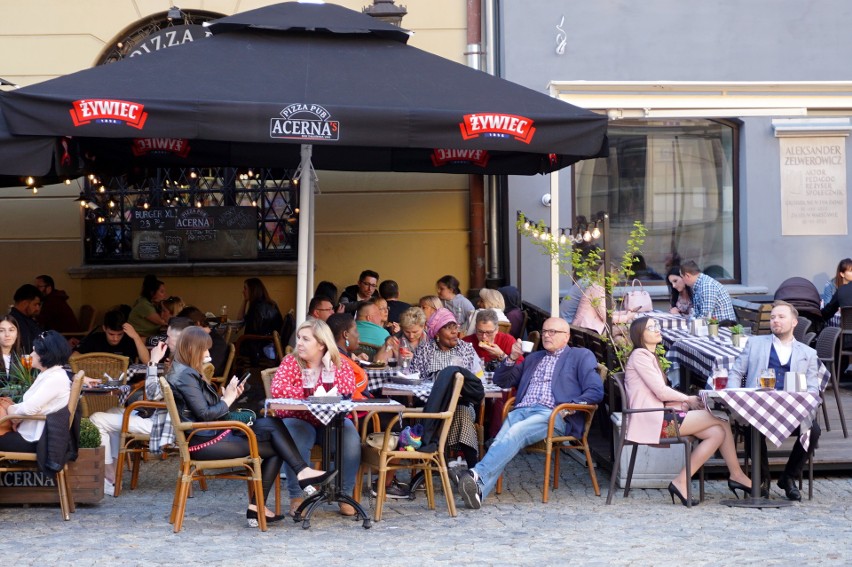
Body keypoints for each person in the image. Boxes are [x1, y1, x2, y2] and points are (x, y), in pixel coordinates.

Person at [168, 326, 336, 526]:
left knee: (272, 426)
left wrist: (227, 395)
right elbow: (205, 415)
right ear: (192, 349)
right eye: (205, 349)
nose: (208, 353)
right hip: (205, 442)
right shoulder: (186, 375)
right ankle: (295, 478)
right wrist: (228, 400)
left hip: (206, 435)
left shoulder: (183, 371)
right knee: (276, 442)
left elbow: (202, 411)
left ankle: (268, 500)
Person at [457, 318, 604, 510]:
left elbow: (595, 390)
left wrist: (570, 407)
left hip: (552, 415)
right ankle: (478, 492)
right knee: (501, 440)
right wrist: (510, 357)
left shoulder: (580, 356)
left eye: (553, 332)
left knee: (513, 433)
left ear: (566, 336)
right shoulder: (534, 358)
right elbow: (502, 381)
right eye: (544, 331)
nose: (547, 335)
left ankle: (475, 474)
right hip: (521, 411)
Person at [624, 317, 752, 506]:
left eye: (656, 326)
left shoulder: (648, 356)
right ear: (639, 335)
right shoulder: (640, 356)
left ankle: (682, 481)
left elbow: (659, 393)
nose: (657, 329)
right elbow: (660, 391)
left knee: (717, 432)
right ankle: (736, 475)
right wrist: (688, 399)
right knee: (721, 418)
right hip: (654, 420)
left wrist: (684, 403)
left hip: (661, 416)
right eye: (651, 328)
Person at [727, 300, 823, 501]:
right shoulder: (754, 343)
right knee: (752, 426)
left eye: (781, 317)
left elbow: (814, 388)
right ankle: (763, 480)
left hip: (791, 411)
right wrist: (735, 396)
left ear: (794, 322)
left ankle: (788, 477)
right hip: (758, 409)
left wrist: (808, 402)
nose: (775, 321)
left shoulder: (808, 353)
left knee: (813, 430)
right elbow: (736, 372)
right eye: (772, 317)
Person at [88, 316, 193, 493]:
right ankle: (113, 473)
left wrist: (153, 363)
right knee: (112, 411)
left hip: (165, 424)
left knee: (97, 419)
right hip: (166, 416)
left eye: (169, 337)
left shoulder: (181, 368)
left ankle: (108, 476)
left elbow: (152, 395)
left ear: (182, 340)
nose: (165, 341)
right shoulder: (187, 361)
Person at [270, 319, 359, 517]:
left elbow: (346, 390)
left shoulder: (339, 363)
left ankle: (343, 493)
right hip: (299, 418)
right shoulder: (291, 362)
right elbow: (278, 390)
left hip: (332, 420)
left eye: (305, 339)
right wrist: (311, 392)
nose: (299, 343)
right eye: (299, 338)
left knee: (351, 436)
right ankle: (298, 496)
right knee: (295, 435)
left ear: (321, 344)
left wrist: (328, 371)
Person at [411, 308, 483, 467]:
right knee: (455, 414)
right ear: (437, 332)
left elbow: (477, 377)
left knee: (461, 411)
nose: (454, 331)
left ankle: (433, 465)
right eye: (448, 327)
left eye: (455, 327)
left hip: (461, 402)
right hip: (431, 405)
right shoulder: (425, 350)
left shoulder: (466, 349)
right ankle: (474, 468)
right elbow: (414, 378)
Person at [0, 331, 71, 453]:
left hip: (35, 440)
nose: (31, 354)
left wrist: (9, 409)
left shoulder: (55, 378)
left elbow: (29, 409)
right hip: (29, 433)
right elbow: (35, 407)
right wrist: (16, 417)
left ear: (45, 355)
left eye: (34, 351)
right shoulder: (49, 374)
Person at [72, 308, 150, 364]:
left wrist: (136, 336)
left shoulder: (129, 340)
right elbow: (73, 357)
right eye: (111, 334)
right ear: (104, 328)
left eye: (120, 334)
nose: (115, 338)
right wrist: (95, 361)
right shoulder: (94, 339)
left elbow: (147, 361)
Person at [237, 278, 284, 363]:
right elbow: (240, 319)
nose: (243, 291)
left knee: (231, 348)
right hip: (272, 345)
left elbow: (251, 332)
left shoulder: (257, 308)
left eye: (245, 288)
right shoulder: (270, 303)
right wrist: (245, 300)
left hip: (259, 348)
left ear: (252, 290)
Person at [178, 306, 228, 377]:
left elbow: (210, 370)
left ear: (197, 324)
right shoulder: (195, 339)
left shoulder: (217, 343)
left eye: (186, 328)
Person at [8, 284, 44, 353]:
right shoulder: (13, 322)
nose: (38, 308)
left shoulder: (29, 320)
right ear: (24, 303)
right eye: (35, 304)